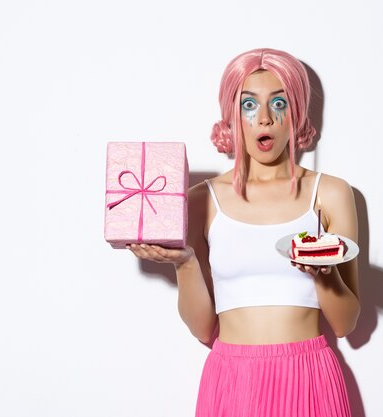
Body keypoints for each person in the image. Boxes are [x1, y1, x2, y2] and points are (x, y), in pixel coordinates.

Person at [129, 48, 359, 417]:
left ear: (296, 113)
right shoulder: (202, 199)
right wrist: (185, 264)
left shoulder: (330, 194)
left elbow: (346, 323)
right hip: (232, 380)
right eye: (249, 105)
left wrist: (323, 273)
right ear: (232, 116)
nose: (264, 119)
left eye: (279, 103)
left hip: (309, 375)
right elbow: (205, 330)